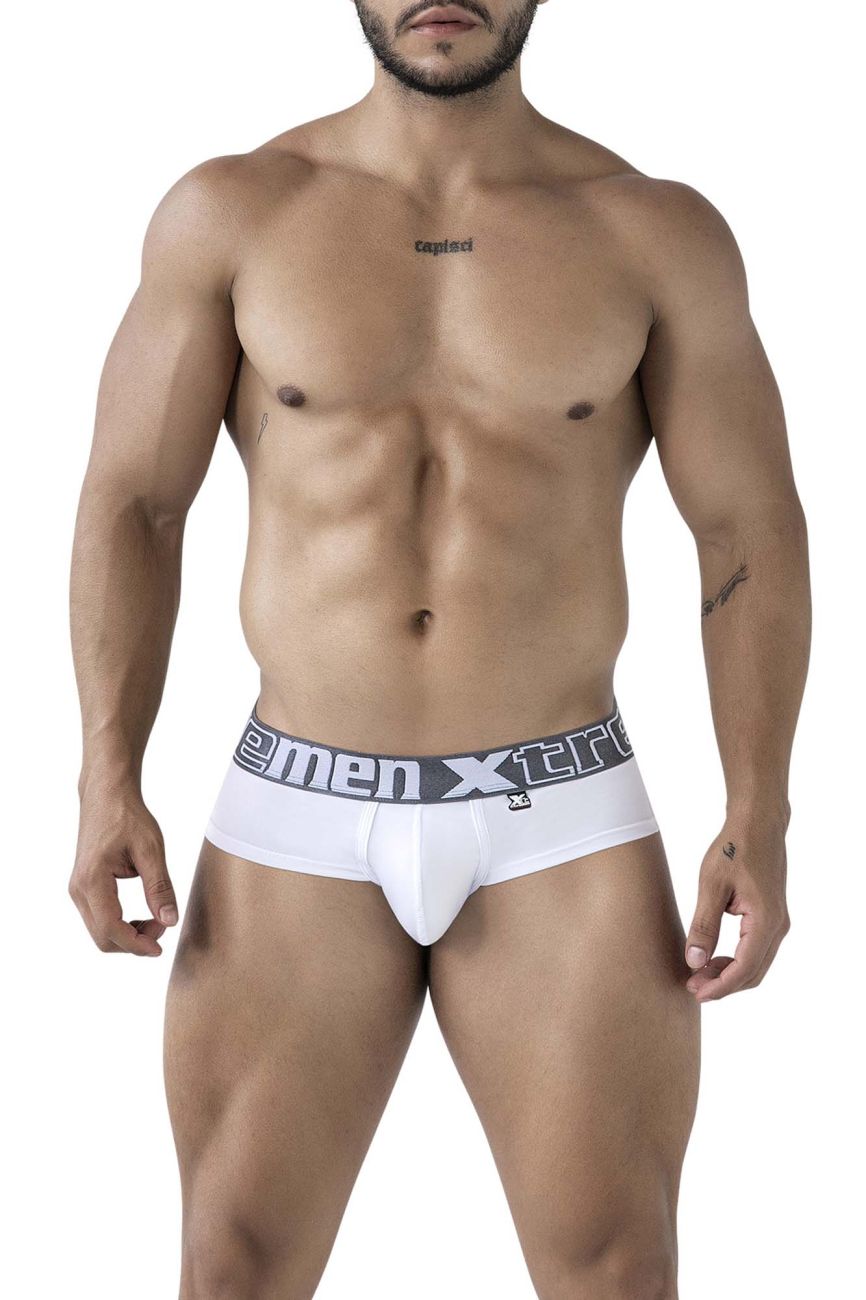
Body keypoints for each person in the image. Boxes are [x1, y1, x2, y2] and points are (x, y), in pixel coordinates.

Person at [68, 3, 811, 1296]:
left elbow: (745, 529)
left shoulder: (650, 232)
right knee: (233, 1269)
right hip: (298, 806)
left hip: (558, 816)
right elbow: (136, 503)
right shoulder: (234, 214)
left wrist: (760, 811)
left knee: (616, 1273)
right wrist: (104, 775)